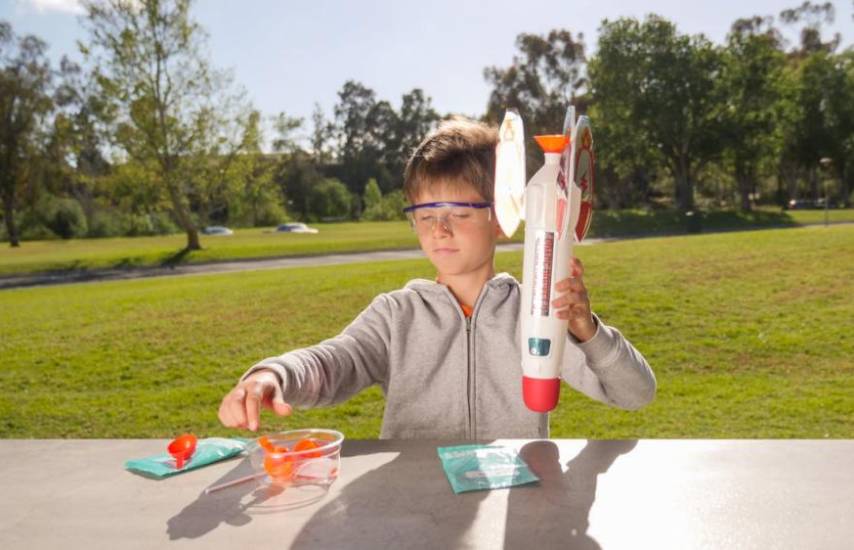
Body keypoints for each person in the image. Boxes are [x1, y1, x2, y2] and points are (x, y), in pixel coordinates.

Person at [218, 117, 656, 439]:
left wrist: (587, 330)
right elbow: (334, 362)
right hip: (413, 516)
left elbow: (635, 394)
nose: (439, 229)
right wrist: (271, 375)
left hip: (510, 513)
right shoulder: (395, 314)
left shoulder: (535, 314)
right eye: (425, 215)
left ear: (502, 218)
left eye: (459, 213)